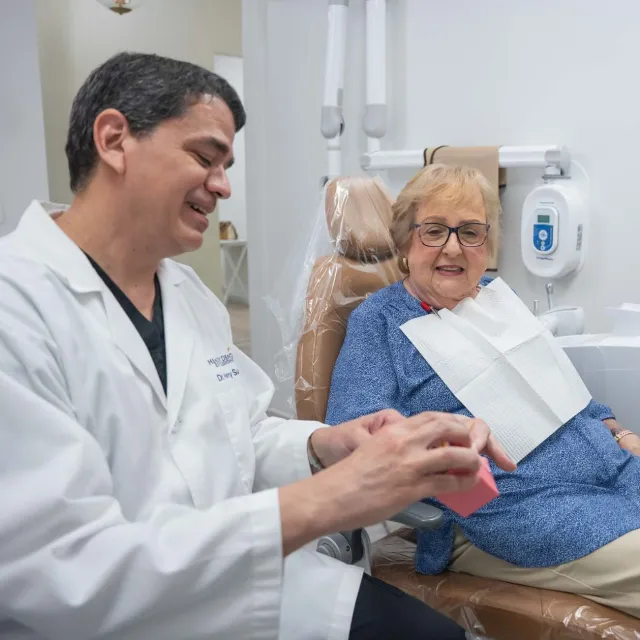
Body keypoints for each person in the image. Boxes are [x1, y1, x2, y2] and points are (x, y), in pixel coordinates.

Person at [0, 53, 514, 640]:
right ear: (115, 140)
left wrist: (325, 445)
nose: (222, 185)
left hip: (234, 585)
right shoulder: (17, 306)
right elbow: (64, 573)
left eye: (227, 165)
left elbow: (244, 431)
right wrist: (329, 499)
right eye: (204, 156)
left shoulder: (188, 296)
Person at [326, 163, 640, 618]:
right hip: (518, 509)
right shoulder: (380, 321)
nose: (453, 247)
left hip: (610, 467)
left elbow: (566, 389)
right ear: (405, 241)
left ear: (487, 244)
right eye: (433, 230)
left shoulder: (496, 297)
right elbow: (357, 434)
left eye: (470, 232)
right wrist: (461, 496)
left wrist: (621, 436)